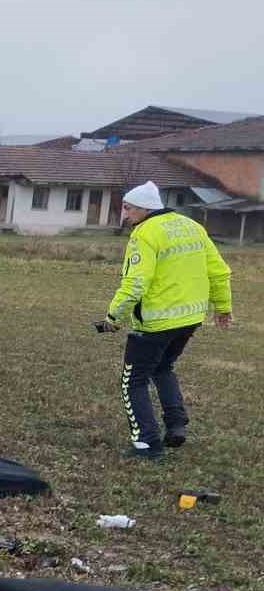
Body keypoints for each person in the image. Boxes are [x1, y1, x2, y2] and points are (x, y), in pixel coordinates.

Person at [103, 180, 233, 460]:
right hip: (189, 319)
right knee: (162, 368)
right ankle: (176, 423)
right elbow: (219, 271)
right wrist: (222, 307)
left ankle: (147, 444)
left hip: (156, 323)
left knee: (132, 381)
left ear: (142, 209)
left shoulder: (145, 233)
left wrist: (113, 317)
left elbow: (135, 283)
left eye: (126, 209)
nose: (124, 215)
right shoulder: (192, 226)